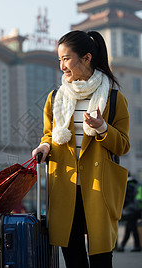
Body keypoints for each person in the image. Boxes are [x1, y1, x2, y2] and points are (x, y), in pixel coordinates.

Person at [32, 30, 130, 268]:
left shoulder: (114, 99)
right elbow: (49, 134)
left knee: (101, 258)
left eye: (66, 59)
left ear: (86, 58)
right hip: (64, 186)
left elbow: (123, 145)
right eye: (59, 60)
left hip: (99, 187)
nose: (62, 66)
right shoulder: (55, 97)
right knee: (73, 258)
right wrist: (44, 146)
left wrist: (102, 127)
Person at [117, 174, 141, 252]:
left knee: (132, 228)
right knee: (130, 227)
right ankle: (123, 245)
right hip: (136, 209)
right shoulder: (136, 184)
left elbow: (124, 199)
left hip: (130, 210)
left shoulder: (127, 185)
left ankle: (133, 246)